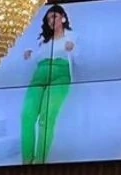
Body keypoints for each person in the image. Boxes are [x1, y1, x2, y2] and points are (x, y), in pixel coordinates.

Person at [21, 4, 75, 165]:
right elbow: (35, 57)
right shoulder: (42, 40)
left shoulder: (73, 36)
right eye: (49, 18)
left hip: (60, 73)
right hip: (40, 73)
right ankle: (26, 162)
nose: (51, 20)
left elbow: (82, 57)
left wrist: (73, 49)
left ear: (63, 18)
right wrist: (29, 55)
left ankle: (39, 162)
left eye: (54, 16)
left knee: (46, 116)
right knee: (27, 115)